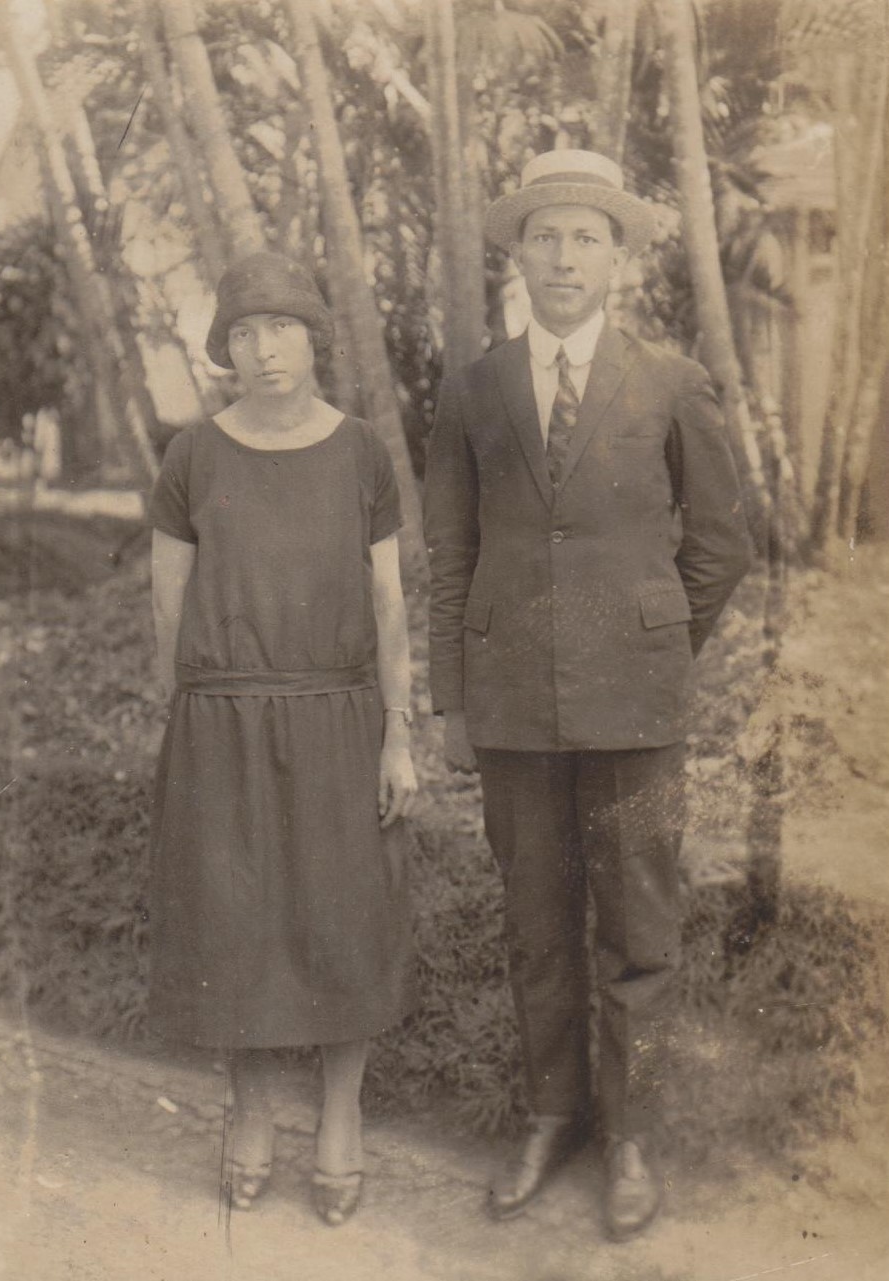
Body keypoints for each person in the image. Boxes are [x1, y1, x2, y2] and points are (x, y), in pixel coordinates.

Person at [423, 150, 752, 1240]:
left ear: (617, 259)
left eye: (585, 238)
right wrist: (452, 702)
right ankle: (551, 1115)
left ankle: (631, 1135)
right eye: (545, 236)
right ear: (518, 255)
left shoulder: (670, 382)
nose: (563, 257)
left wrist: (653, 642)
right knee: (536, 926)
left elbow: (720, 544)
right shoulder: (472, 390)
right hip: (513, 710)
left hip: (637, 712)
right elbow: (451, 552)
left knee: (638, 930)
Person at [147, 253, 417, 1227]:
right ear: (226, 348)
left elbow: (388, 604)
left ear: (314, 340)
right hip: (221, 721)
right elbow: (167, 608)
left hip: (337, 716)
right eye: (245, 332)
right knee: (235, 928)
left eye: (283, 328)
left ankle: (341, 1118)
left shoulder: (360, 453)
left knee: (343, 925)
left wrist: (397, 735)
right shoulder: (191, 457)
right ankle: (252, 1112)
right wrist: (184, 726)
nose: (264, 350)